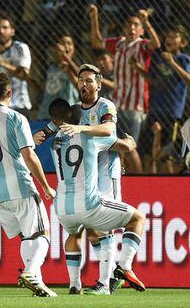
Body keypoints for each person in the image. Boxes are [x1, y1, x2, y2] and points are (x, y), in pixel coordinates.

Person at [34, 64, 131, 294]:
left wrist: (81, 129)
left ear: (99, 84)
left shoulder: (106, 106)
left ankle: (106, 283)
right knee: (81, 228)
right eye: (80, 80)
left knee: (102, 227)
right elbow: (55, 126)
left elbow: (109, 130)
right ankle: (89, 281)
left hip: (107, 170)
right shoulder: (75, 109)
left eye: (89, 80)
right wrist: (40, 135)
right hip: (85, 175)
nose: (84, 84)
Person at [0, 73, 57, 297]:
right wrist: (45, 186)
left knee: (26, 236)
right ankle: (31, 271)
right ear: (10, 93)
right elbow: (29, 156)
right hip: (20, 186)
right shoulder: (16, 118)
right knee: (43, 233)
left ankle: (38, 284)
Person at [48, 98, 146, 295]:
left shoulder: (54, 144)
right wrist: (131, 141)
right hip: (87, 202)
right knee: (137, 219)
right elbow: (125, 147)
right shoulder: (90, 137)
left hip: (63, 207)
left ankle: (74, 285)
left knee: (74, 235)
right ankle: (122, 268)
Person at [90, 4, 161, 143]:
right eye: (129, 24)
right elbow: (97, 43)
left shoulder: (142, 44)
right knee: (116, 144)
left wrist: (146, 22)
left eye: (136, 25)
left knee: (131, 145)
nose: (132, 27)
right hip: (117, 103)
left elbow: (156, 44)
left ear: (141, 30)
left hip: (136, 105)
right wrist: (94, 19)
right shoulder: (118, 43)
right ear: (124, 28)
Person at [131, 24, 190, 173]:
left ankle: (169, 187)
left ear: (183, 42)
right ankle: (149, 186)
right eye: (168, 36)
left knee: (166, 155)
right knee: (148, 153)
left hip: (171, 113)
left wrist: (172, 62)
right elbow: (152, 81)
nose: (169, 39)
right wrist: (137, 67)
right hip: (155, 110)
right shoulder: (158, 58)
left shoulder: (184, 59)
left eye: (174, 36)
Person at [37, 31, 80, 120]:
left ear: (74, 48)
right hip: (46, 114)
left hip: (66, 115)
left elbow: (79, 79)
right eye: (63, 44)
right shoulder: (51, 67)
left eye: (69, 43)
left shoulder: (76, 67)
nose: (66, 47)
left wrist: (65, 56)